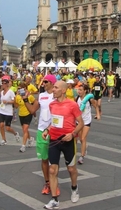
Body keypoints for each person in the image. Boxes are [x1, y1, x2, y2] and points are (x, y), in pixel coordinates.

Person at [42, 81, 84, 209]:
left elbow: (81, 123)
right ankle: (54, 200)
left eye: (56, 88)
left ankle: (74, 188)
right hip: (54, 140)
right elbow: (53, 122)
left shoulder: (72, 105)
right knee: (52, 170)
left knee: (71, 169)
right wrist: (47, 130)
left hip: (68, 140)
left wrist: (72, 134)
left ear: (64, 90)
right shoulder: (52, 104)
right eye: (53, 87)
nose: (53, 90)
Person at [25, 74, 60, 195]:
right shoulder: (41, 96)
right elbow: (32, 110)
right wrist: (25, 100)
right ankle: (47, 183)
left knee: (54, 161)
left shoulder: (57, 96)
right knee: (44, 159)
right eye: (43, 82)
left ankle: (54, 182)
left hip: (55, 131)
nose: (43, 83)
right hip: (41, 130)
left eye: (45, 82)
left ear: (52, 83)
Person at [76, 83, 99, 163]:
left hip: (86, 121)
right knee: (80, 139)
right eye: (78, 90)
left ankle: (82, 156)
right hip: (79, 121)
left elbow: (96, 106)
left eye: (81, 90)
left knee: (83, 138)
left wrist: (98, 114)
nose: (79, 91)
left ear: (85, 91)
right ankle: (84, 146)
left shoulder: (89, 99)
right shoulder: (77, 98)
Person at [0, 75, 20, 145]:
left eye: (4, 83)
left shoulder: (11, 92)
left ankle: (15, 133)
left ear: (7, 84)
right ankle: (3, 139)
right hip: (1, 110)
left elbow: (14, 101)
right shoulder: (1, 92)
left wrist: (7, 102)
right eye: (2, 83)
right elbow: (2, 100)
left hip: (8, 112)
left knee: (7, 128)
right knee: (1, 125)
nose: (3, 85)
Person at [14, 82, 36, 152]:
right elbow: (16, 106)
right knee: (24, 129)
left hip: (28, 114)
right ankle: (30, 138)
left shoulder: (29, 96)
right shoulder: (17, 97)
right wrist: (15, 97)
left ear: (25, 89)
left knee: (25, 129)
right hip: (21, 114)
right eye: (18, 89)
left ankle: (23, 146)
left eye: (21, 89)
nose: (19, 90)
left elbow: (35, 103)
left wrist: (33, 111)